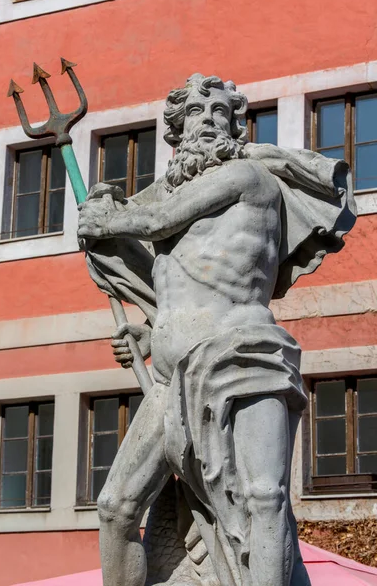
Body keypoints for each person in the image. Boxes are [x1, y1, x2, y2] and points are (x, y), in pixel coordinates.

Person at [78, 74, 356, 586]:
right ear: (178, 131)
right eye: (197, 114)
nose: (209, 121)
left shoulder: (246, 176)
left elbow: (157, 218)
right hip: (169, 380)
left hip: (240, 358)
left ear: (235, 127)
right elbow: (181, 289)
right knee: (116, 508)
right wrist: (150, 334)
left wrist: (104, 217)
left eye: (220, 113)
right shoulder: (179, 215)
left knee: (262, 499)